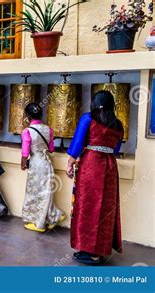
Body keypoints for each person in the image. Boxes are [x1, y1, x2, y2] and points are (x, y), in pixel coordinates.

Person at [66, 90, 124, 265]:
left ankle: (91, 252)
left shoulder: (88, 119)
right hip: (110, 167)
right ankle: (97, 250)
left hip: (91, 166)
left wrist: (70, 163)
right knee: (105, 209)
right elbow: (115, 149)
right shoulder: (118, 124)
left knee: (87, 206)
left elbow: (77, 143)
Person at [20, 103, 65, 233]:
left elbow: (25, 152)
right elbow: (51, 149)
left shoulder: (27, 131)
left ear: (27, 117)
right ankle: (53, 216)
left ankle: (39, 223)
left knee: (36, 192)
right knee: (46, 191)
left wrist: (23, 164)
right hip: (47, 163)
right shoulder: (48, 129)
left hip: (36, 164)